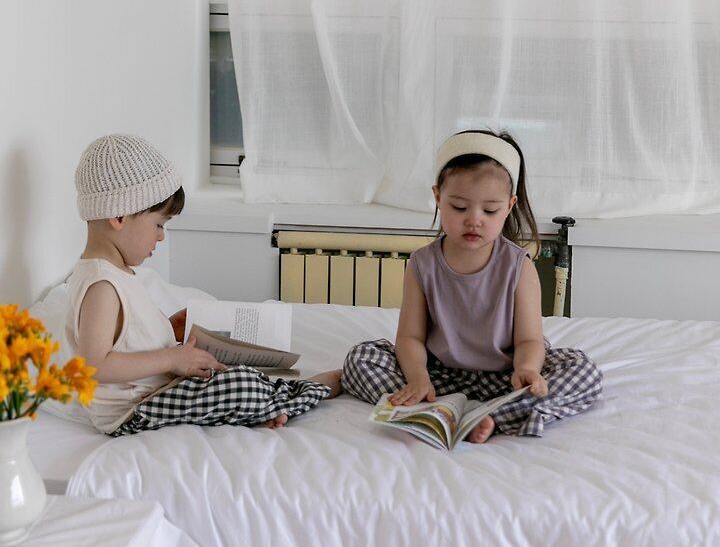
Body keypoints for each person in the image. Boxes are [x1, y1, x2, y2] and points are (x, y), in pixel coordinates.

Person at [66, 133, 341, 436]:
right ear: (119, 215)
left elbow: (125, 338)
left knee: (224, 371)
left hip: (155, 393)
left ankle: (266, 403)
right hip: (134, 411)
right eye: (159, 224)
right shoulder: (102, 286)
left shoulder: (117, 273)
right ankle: (297, 395)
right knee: (237, 385)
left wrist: (167, 330)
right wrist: (171, 357)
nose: (161, 236)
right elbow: (94, 366)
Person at [342, 130, 602, 441]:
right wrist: (419, 379)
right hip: (441, 375)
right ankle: (438, 409)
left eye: (489, 210)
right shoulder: (422, 264)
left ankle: (489, 416)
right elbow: (410, 337)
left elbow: (530, 339)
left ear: (509, 206)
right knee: (361, 357)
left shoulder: (519, 266)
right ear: (438, 197)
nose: (474, 220)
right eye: (459, 207)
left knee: (582, 370)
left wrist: (527, 369)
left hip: (505, 377)